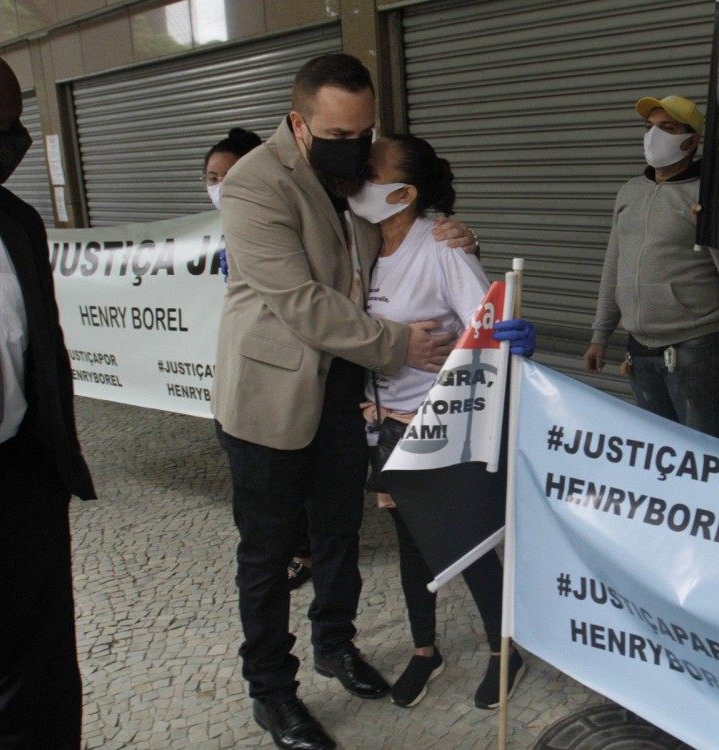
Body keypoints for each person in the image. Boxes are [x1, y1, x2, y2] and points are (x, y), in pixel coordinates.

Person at [212, 53, 480, 750]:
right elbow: (301, 304)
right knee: (271, 554)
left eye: (364, 132)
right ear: (300, 124)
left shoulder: (352, 176)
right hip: (270, 396)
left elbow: (393, 238)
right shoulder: (255, 186)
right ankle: (272, 692)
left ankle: (336, 646)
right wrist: (396, 346)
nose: (354, 147)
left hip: (341, 393)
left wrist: (449, 229)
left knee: (338, 535)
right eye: (339, 133)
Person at [350, 135, 532, 711]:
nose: (357, 176)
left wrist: (517, 340)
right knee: (411, 545)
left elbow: (491, 325)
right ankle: (425, 650)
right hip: (382, 422)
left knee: (467, 542)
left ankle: (506, 651)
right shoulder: (358, 242)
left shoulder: (443, 246)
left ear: (403, 192)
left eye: (371, 170)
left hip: (440, 420)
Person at [0, 55, 96, 749]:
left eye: (13, 125)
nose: (12, 143)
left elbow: (41, 350)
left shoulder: (17, 222)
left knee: (40, 671)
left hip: (18, 477)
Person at [582, 94, 719, 439]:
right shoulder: (630, 192)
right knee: (656, 445)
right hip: (639, 347)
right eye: (650, 127)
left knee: (701, 447)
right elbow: (613, 265)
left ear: (693, 140)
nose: (654, 135)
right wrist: (600, 335)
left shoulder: (713, 195)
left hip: (694, 346)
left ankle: (709, 497)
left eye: (668, 128)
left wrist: (713, 231)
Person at [204, 127, 314, 590]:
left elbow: (304, 301)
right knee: (257, 515)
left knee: (285, 495)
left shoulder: (280, 217)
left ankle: (301, 553)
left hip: (286, 388)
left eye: (229, 176)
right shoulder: (225, 228)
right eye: (211, 177)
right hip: (237, 388)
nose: (221, 186)